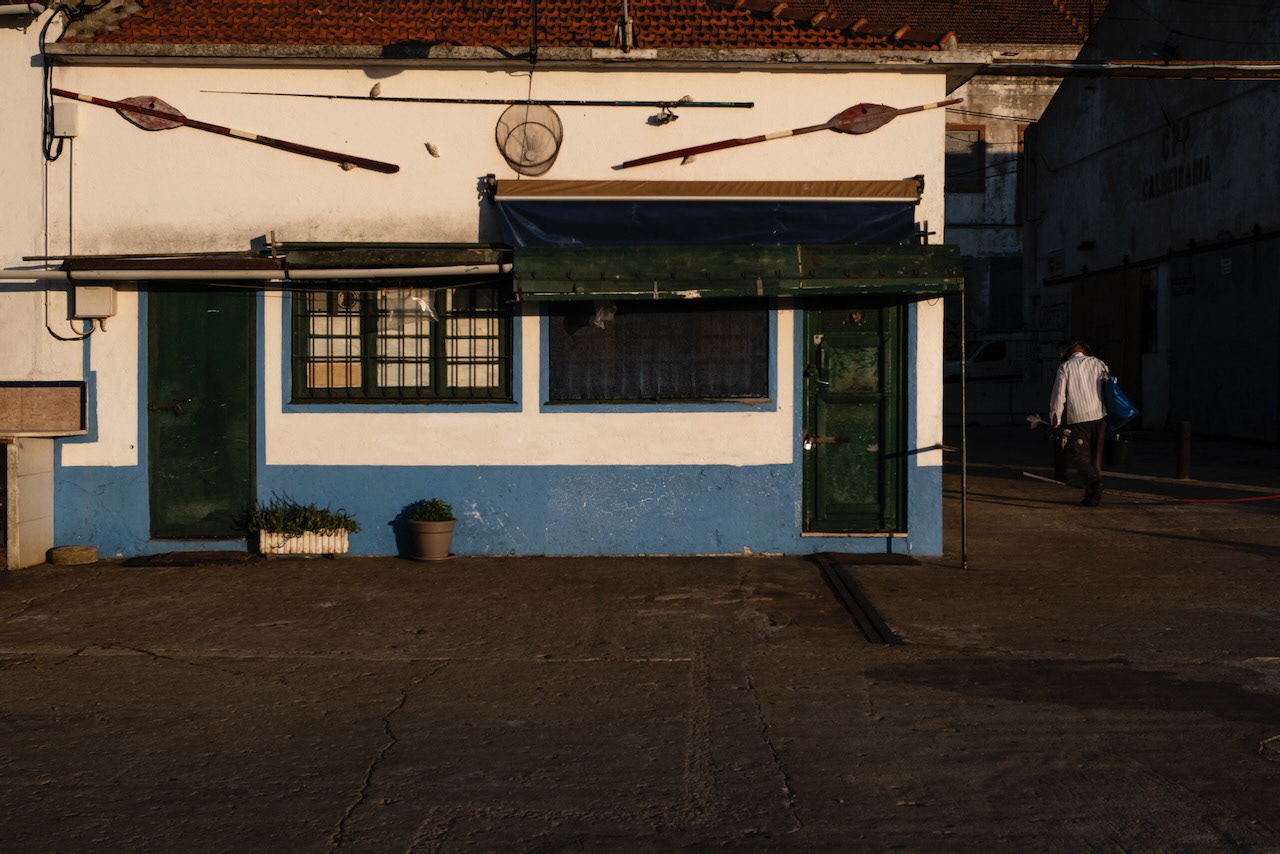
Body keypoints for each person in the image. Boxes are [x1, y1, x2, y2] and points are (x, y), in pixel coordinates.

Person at [1049, 341, 1109, 506]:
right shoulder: (1098, 363)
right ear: (1082, 349)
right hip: (1099, 417)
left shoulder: (1065, 367)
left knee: (1080, 457)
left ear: (1068, 352)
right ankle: (1092, 497)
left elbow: (1058, 397)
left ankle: (1093, 483)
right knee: (1095, 460)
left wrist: (1056, 420)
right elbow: (1108, 386)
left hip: (1078, 419)